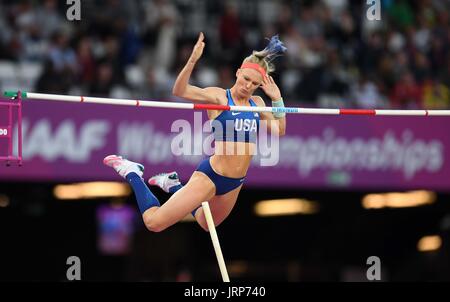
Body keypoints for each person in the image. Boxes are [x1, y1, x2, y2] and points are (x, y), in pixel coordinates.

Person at [104, 32, 287, 232]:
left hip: (235, 182)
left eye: (254, 84)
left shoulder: (258, 103)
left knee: (205, 223)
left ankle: (173, 184)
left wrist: (277, 99)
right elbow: (180, 91)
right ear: (238, 73)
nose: (248, 86)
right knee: (154, 223)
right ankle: (133, 172)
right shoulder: (219, 98)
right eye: (246, 79)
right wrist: (192, 60)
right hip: (211, 175)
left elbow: (279, 130)